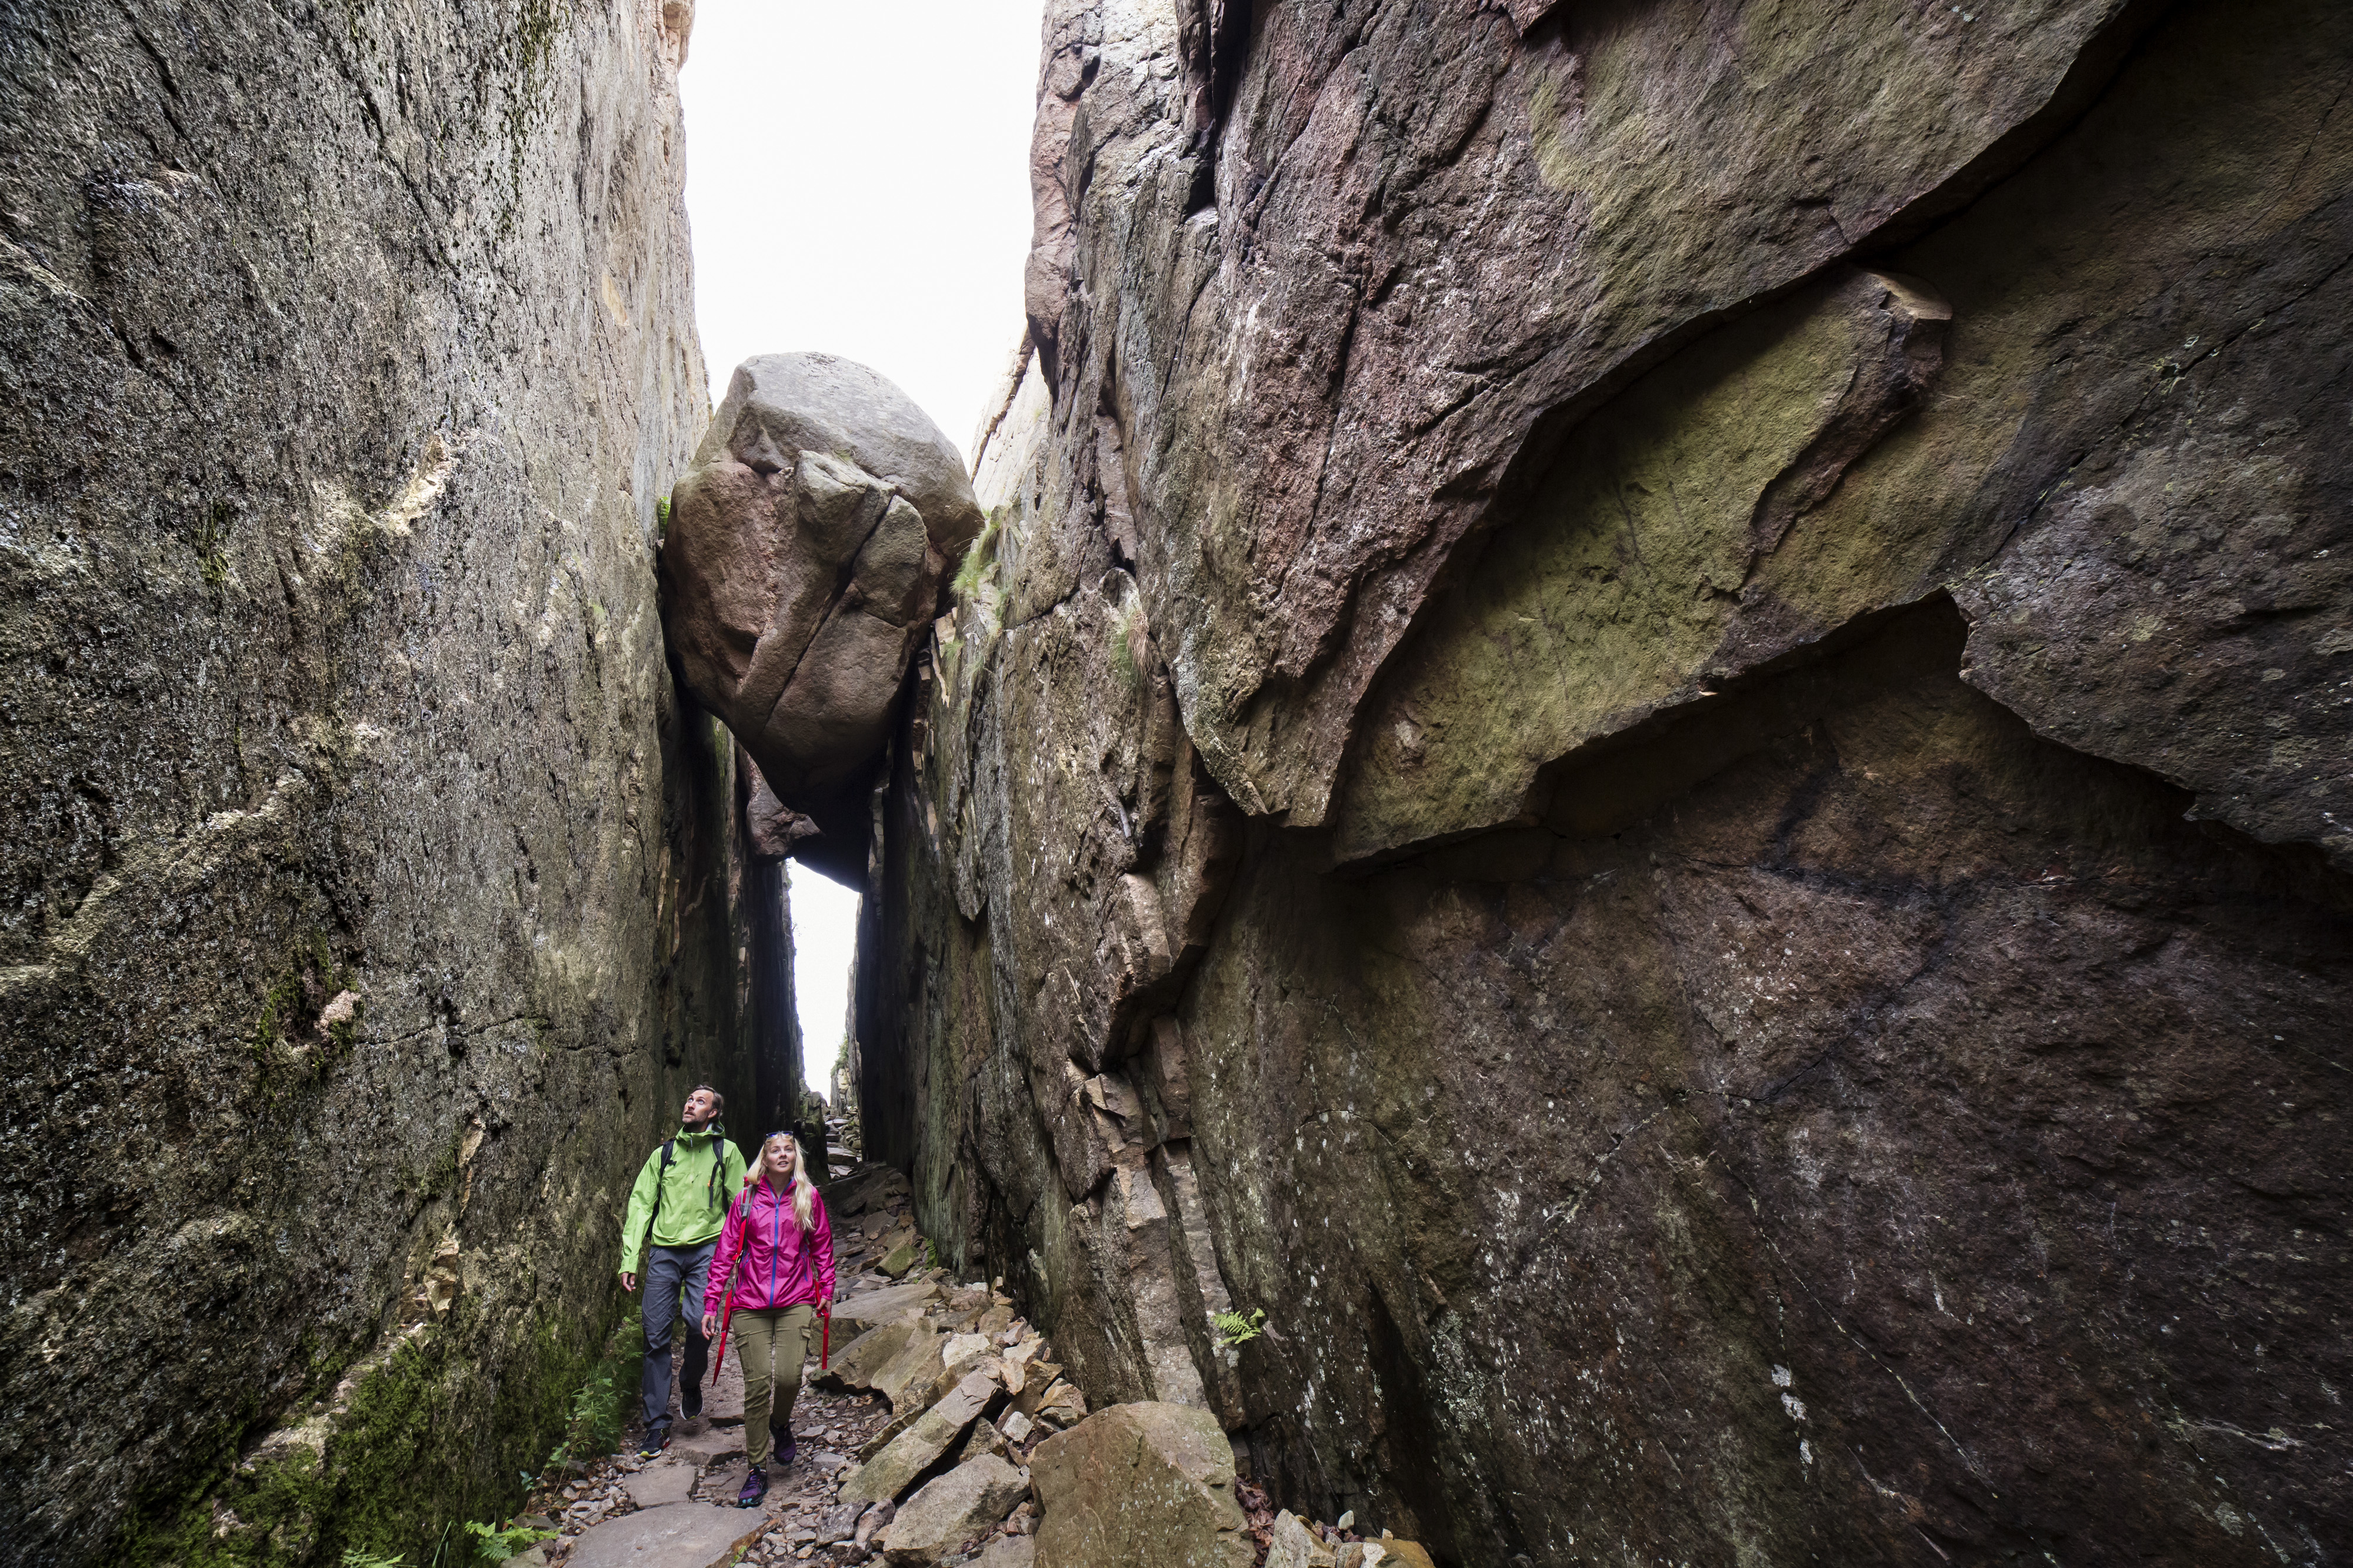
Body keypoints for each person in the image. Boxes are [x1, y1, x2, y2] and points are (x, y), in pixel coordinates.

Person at [704, 1130, 835, 1507]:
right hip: (749, 1302)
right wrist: (711, 1303)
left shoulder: (807, 1198)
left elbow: (822, 1247)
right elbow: (726, 1253)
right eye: (775, 1150)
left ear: (796, 1157)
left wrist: (826, 1290)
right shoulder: (745, 1201)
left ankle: (780, 1423)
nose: (782, 1155)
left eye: (788, 1150)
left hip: (796, 1298)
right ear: (764, 1158)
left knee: (791, 1377)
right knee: (758, 1385)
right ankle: (757, 1469)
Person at [619, 1085, 748, 1457]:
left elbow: (741, 1207)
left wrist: (742, 1257)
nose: (691, 1104)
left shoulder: (727, 1153)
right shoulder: (665, 1154)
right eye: (689, 1099)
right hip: (664, 1252)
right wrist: (630, 1258)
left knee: (697, 1322)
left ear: (714, 1114)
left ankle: (691, 1382)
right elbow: (642, 1203)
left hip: (708, 1249)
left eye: (700, 1102)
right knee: (655, 1335)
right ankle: (656, 1425)